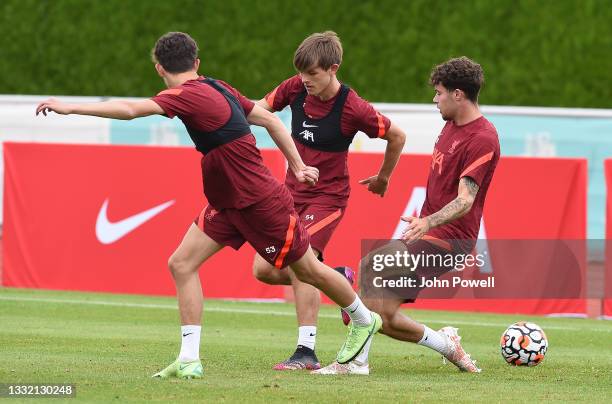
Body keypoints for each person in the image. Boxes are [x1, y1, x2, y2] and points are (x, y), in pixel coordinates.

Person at [35, 31, 382, 379]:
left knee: (307, 272)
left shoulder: (183, 96)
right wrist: (297, 165)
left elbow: (130, 109)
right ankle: (188, 359)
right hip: (227, 201)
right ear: (196, 63)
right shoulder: (218, 86)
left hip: (260, 201)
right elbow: (272, 119)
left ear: (159, 69)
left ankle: (364, 319)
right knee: (182, 263)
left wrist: (70, 106)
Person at [315, 56, 500, 375]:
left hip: (450, 240)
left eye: (439, 92)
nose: (434, 98)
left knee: (369, 269)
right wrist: (385, 178)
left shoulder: (482, 137)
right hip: (429, 232)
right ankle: (446, 344)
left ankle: (356, 362)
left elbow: (466, 200)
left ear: (458, 94)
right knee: (382, 317)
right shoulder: (451, 124)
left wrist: (427, 221)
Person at [251, 31, 405, 370]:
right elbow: (258, 109)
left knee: (300, 264)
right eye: (302, 72)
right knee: (262, 270)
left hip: (327, 198)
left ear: (333, 68)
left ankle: (306, 352)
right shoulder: (294, 88)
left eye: (313, 74)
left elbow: (397, 136)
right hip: (289, 195)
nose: (305, 80)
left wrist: (383, 177)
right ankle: (336, 276)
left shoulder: (352, 107)